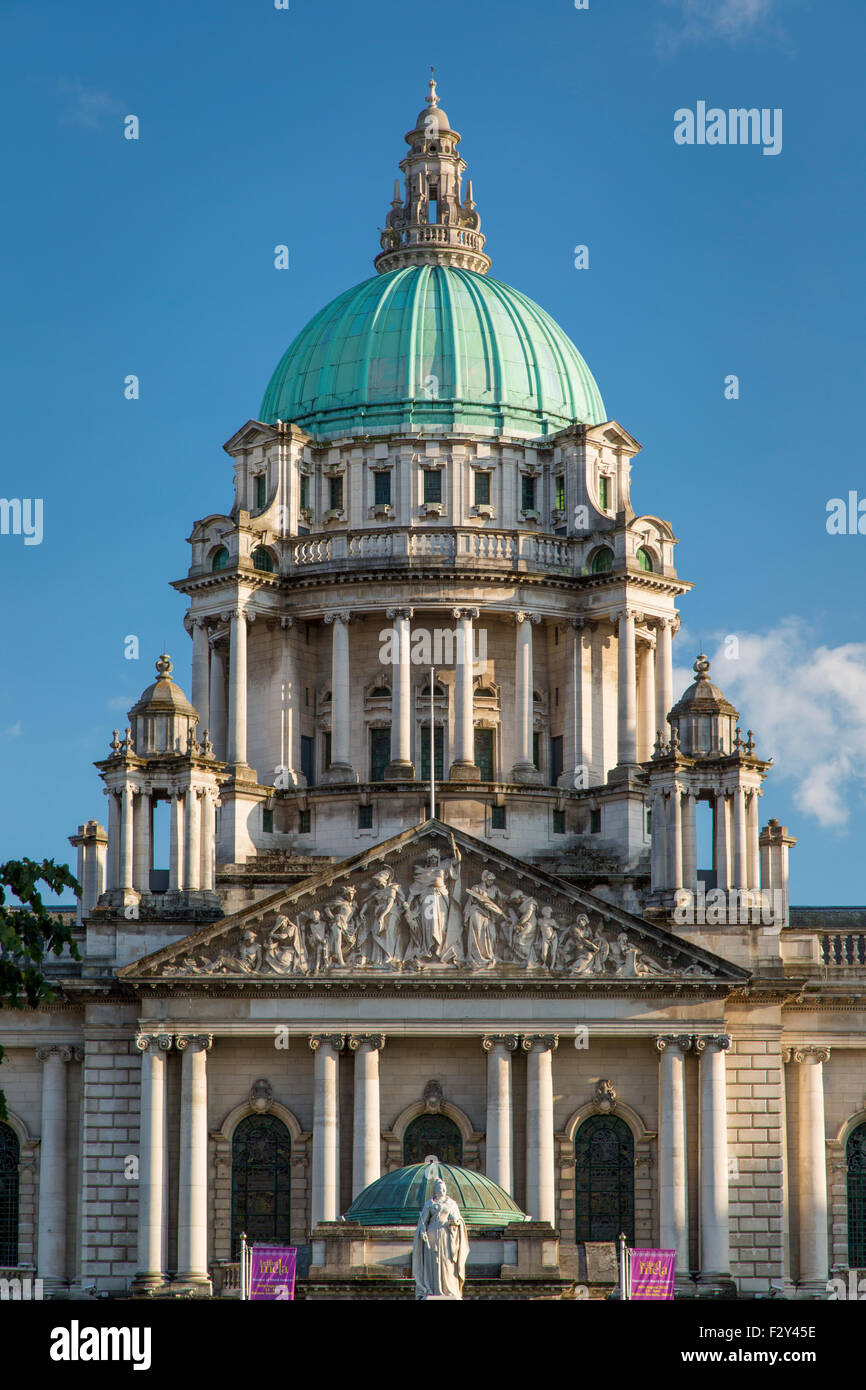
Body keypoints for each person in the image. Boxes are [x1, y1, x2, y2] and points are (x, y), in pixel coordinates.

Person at [412, 1178, 469, 1299]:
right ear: (435, 1190)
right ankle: (433, 1289)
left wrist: (455, 1221)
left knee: (447, 1262)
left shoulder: (451, 1203)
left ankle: (449, 1289)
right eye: (440, 1188)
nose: (443, 1190)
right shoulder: (429, 1203)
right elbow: (423, 1222)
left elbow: (457, 1218)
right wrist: (422, 1231)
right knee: (433, 1263)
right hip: (432, 1236)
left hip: (446, 1235)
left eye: (444, 1188)